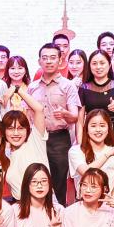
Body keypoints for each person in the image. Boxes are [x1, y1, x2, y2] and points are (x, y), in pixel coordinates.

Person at [28, 43, 81, 206]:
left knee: (58, 181)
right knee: (36, 178)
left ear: (60, 60)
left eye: (53, 58)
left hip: (59, 139)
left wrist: (65, 114)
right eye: (45, 58)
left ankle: (58, 215)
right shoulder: (32, 87)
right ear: (39, 61)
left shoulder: (68, 85)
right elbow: (26, 115)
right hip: (36, 139)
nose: (49, 61)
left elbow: (74, 117)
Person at [68, 108, 114, 200]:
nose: (98, 130)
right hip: (84, 202)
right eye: (93, 126)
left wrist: (111, 204)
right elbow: (86, 172)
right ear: (86, 128)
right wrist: (108, 154)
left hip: (108, 203)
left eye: (102, 126)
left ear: (109, 128)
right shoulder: (76, 151)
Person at [78, 49, 114, 141]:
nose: (98, 67)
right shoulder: (84, 88)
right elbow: (79, 121)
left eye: (102, 63)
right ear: (89, 66)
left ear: (109, 65)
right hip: (93, 135)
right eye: (94, 63)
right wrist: (79, 143)